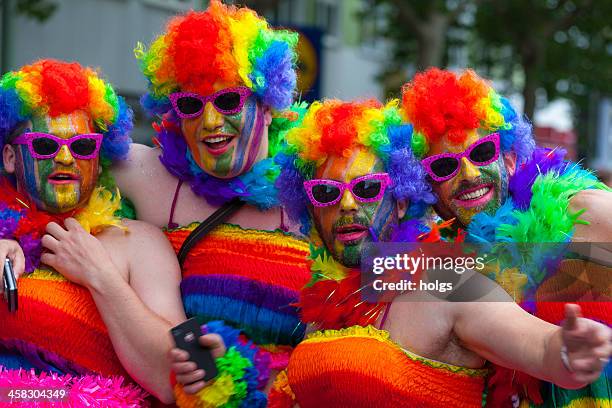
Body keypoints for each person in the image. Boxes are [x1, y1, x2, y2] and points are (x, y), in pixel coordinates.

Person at [267, 99, 611, 407]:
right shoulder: (325, 304)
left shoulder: (448, 278)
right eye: (326, 192)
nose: (347, 204)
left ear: (401, 200)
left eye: (368, 188)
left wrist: (565, 351)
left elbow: (540, 348)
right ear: (310, 209)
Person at [113, 1, 312, 405]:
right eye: (191, 105)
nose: (210, 122)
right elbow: (47, 165)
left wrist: (473, 271)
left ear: (270, 105)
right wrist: (7, 233)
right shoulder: (152, 178)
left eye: (228, 101)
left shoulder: (320, 191)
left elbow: (408, 250)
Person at [401, 68, 612, 406]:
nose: (469, 174)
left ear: (510, 160)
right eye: (444, 166)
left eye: (482, 153)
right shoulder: (455, 265)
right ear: (431, 191)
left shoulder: (579, 212)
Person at [0, 59, 185, 405]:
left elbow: (171, 381)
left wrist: (100, 275)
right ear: (10, 157)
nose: (66, 158)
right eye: (45, 145)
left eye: (83, 146)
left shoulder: (139, 243)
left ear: (99, 160)